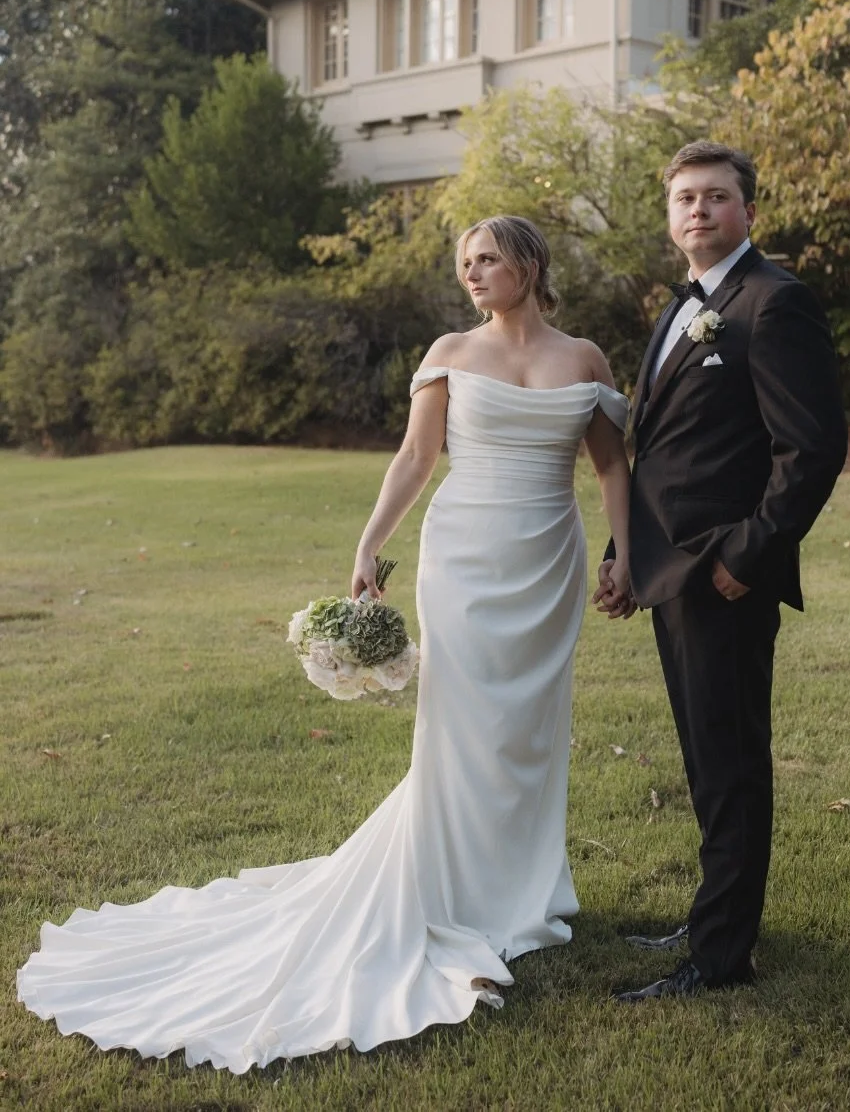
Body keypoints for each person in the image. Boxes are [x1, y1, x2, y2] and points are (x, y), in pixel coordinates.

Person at [17, 215, 632, 1071]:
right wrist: (369, 543)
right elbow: (415, 459)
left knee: (531, 727)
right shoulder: (451, 352)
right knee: (462, 725)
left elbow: (610, 466)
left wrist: (625, 552)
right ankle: (450, 888)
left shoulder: (586, 360)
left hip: (548, 561)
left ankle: (523, 891)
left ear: (528, 264)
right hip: (465, 559)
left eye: (488, 258)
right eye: (465, 262)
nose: (472, 273)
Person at [594, 140, 847, 1000]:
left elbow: (811, 448)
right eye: (685, 199)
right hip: (668, 569)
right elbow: (659, 454)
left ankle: (720, 959)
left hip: (723, 574)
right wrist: (624, 553)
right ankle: (717, 915)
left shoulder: (774, 302)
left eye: (715, 196)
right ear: (670, 216)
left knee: (731, 759)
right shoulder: (681, 308)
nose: (698, 210)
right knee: (706, 756)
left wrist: (751, 552)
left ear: (749, 211)